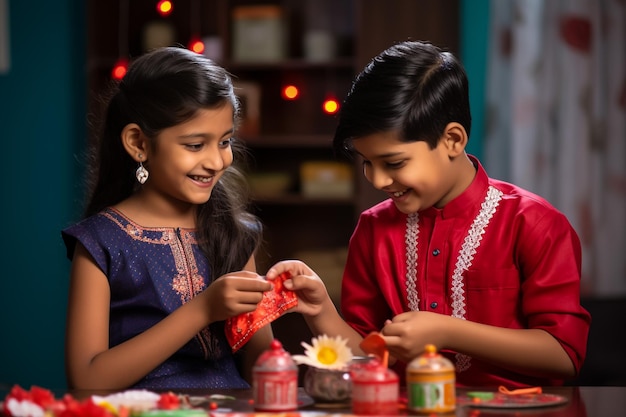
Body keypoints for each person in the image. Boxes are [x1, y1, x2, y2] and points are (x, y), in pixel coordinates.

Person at [266, 40, 591, 388]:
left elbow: (564, 355)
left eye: (394, 163)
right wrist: (319, 309)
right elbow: (367, 355)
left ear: (452, 139)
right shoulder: (373, 229)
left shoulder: (535, 224)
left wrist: (448, 332)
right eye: (367, 163)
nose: (377, 180)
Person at [61, 46, 274, 390]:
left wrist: (285, 301)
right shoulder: (101, 242)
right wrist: (202, 310)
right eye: (195, 145)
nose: (217, 161)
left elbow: (261, 366)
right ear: (138, 143)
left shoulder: (235, 233)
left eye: (225, 141)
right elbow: (86, 381)